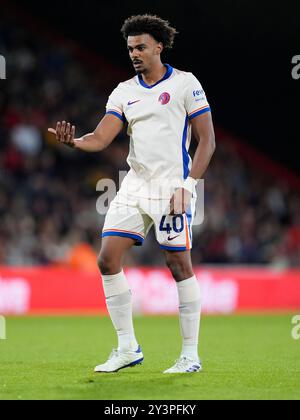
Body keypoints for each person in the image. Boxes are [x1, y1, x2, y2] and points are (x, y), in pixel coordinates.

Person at [48, 14, 215, 374]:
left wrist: (188, 187)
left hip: (174, 187)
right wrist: (75, 142)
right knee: (107, 259)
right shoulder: (124, 91)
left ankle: (190, 355)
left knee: (178, 264)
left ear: (159, 46)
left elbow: (207, 141)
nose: (134, 54)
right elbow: (101, 137)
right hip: (135, 185)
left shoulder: (186, 84)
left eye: (140, 47)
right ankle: (127, 348)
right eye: (129, 48)